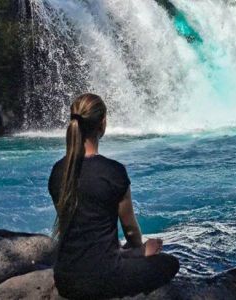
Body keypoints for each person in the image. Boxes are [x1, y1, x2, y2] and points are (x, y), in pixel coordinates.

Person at [48, 93, 179, 299]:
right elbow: (130, 231)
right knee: (170, 263)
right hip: (102, 278)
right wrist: (141, 252)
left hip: (65, 278)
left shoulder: (58, 171)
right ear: (103, 124)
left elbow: (82, 234)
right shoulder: (113, 171)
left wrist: (131, 253)